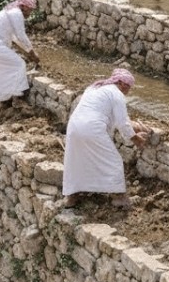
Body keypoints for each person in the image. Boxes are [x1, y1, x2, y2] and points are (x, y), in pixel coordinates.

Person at [62, 68, 150, 209]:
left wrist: (135, 127)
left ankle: (72, 196)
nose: (128, 91)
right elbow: (122, 123)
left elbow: (118, 118)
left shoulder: (95, 88)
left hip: (74, 126)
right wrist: (136, 139)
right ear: (120, 83)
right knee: (114, 161)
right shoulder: (117, 94)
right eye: (127, 87)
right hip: (92, 128)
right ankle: (119, 197)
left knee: (77, 160)